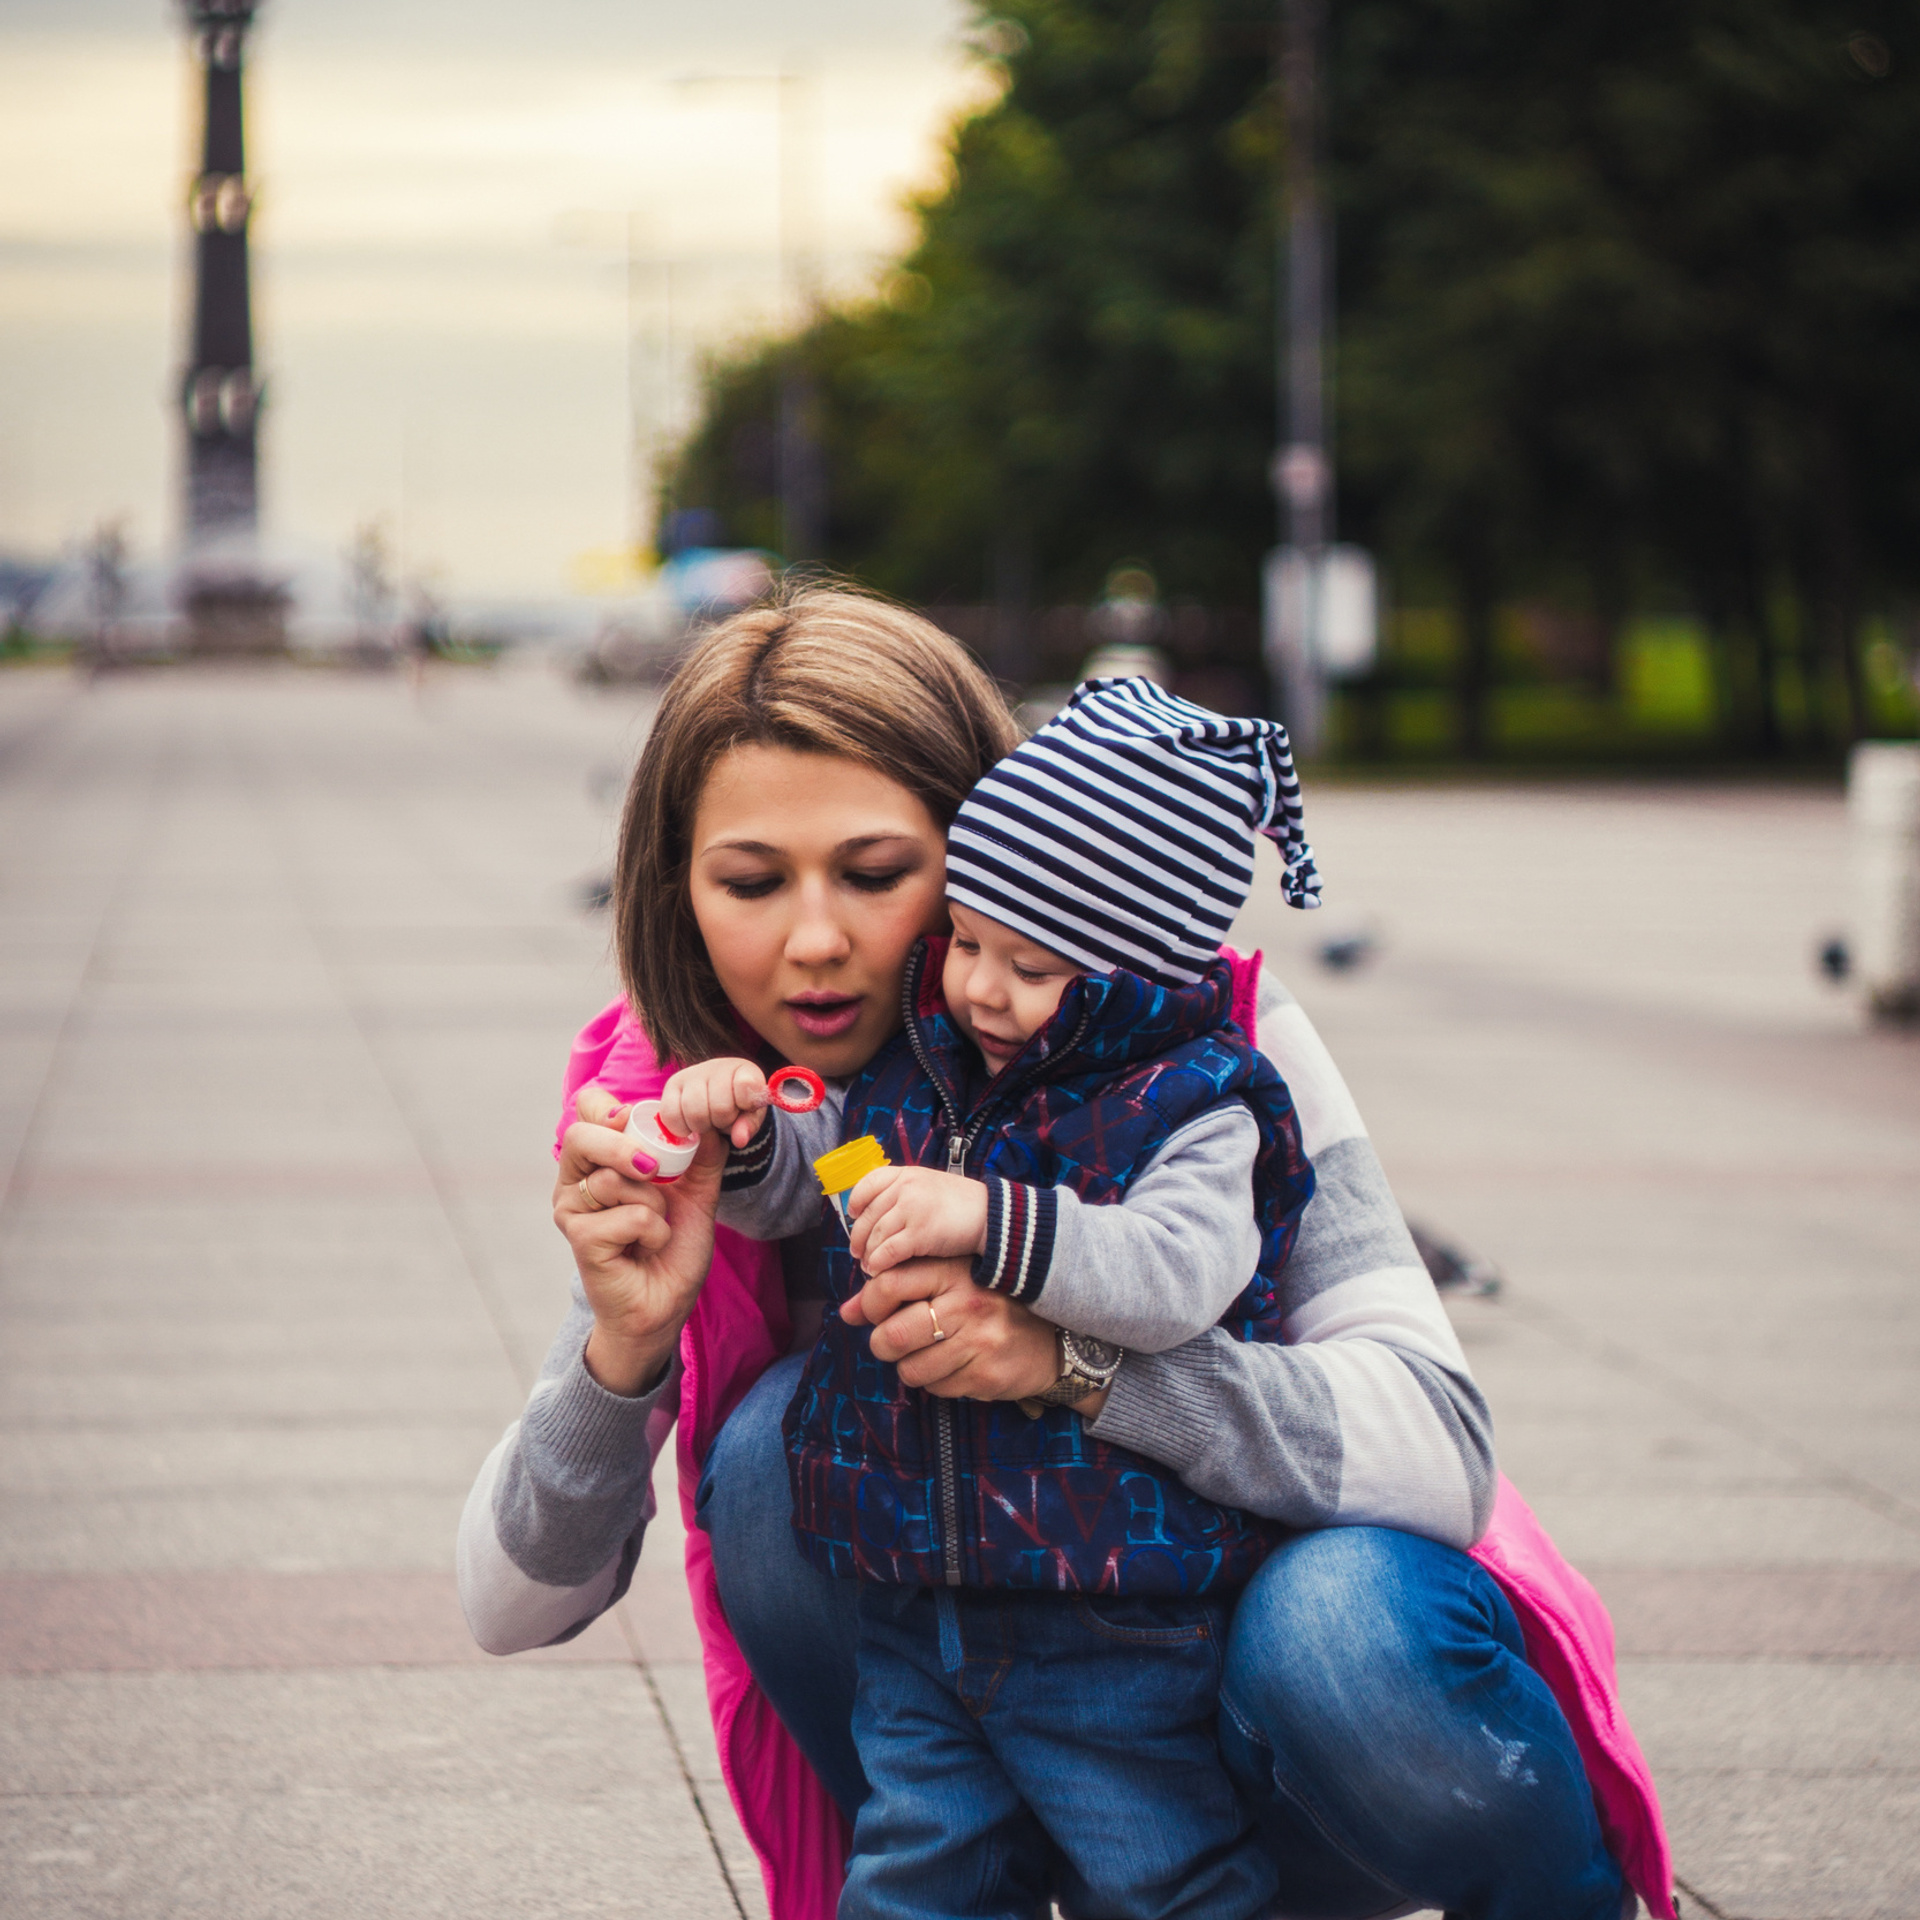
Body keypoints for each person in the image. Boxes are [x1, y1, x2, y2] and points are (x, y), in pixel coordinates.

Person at [456, 588, 1669, 1920]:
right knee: (769, 1452)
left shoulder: (1208, 1047)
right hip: (949, 1716)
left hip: (1250, 1722)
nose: (815, 941)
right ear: (677, 892)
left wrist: (1075, 1365)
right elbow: (511, 1608)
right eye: (751, 883)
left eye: (877, 873)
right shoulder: (713, 1107)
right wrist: (627, 1344)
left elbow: (1440, 1453)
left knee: (1343, 1625)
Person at [657, 678, 1325, 1918]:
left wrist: (991, 1221)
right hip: (919, 1593)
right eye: (965, 942)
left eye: (1032, 967)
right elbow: (845, 1182)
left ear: (1137, 971)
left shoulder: (1195, 1102)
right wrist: (747, 1147)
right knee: (919, 1871)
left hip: (1111, 1605)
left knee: (1159, 1872)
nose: (980, 990)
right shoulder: (929, 1064)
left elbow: (1177, 1275)